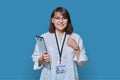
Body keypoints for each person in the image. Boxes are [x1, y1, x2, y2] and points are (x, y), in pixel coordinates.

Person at [32, 7, 88, 80]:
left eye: (64, 18)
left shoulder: (76, 37)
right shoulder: (44, 37)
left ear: (68, 20)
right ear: (52, 20)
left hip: (69, 76)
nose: (61, 21)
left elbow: (82, 63)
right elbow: (35, 57)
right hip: (49, 76)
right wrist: (42, 58)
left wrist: (75, 47)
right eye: (57, 18)